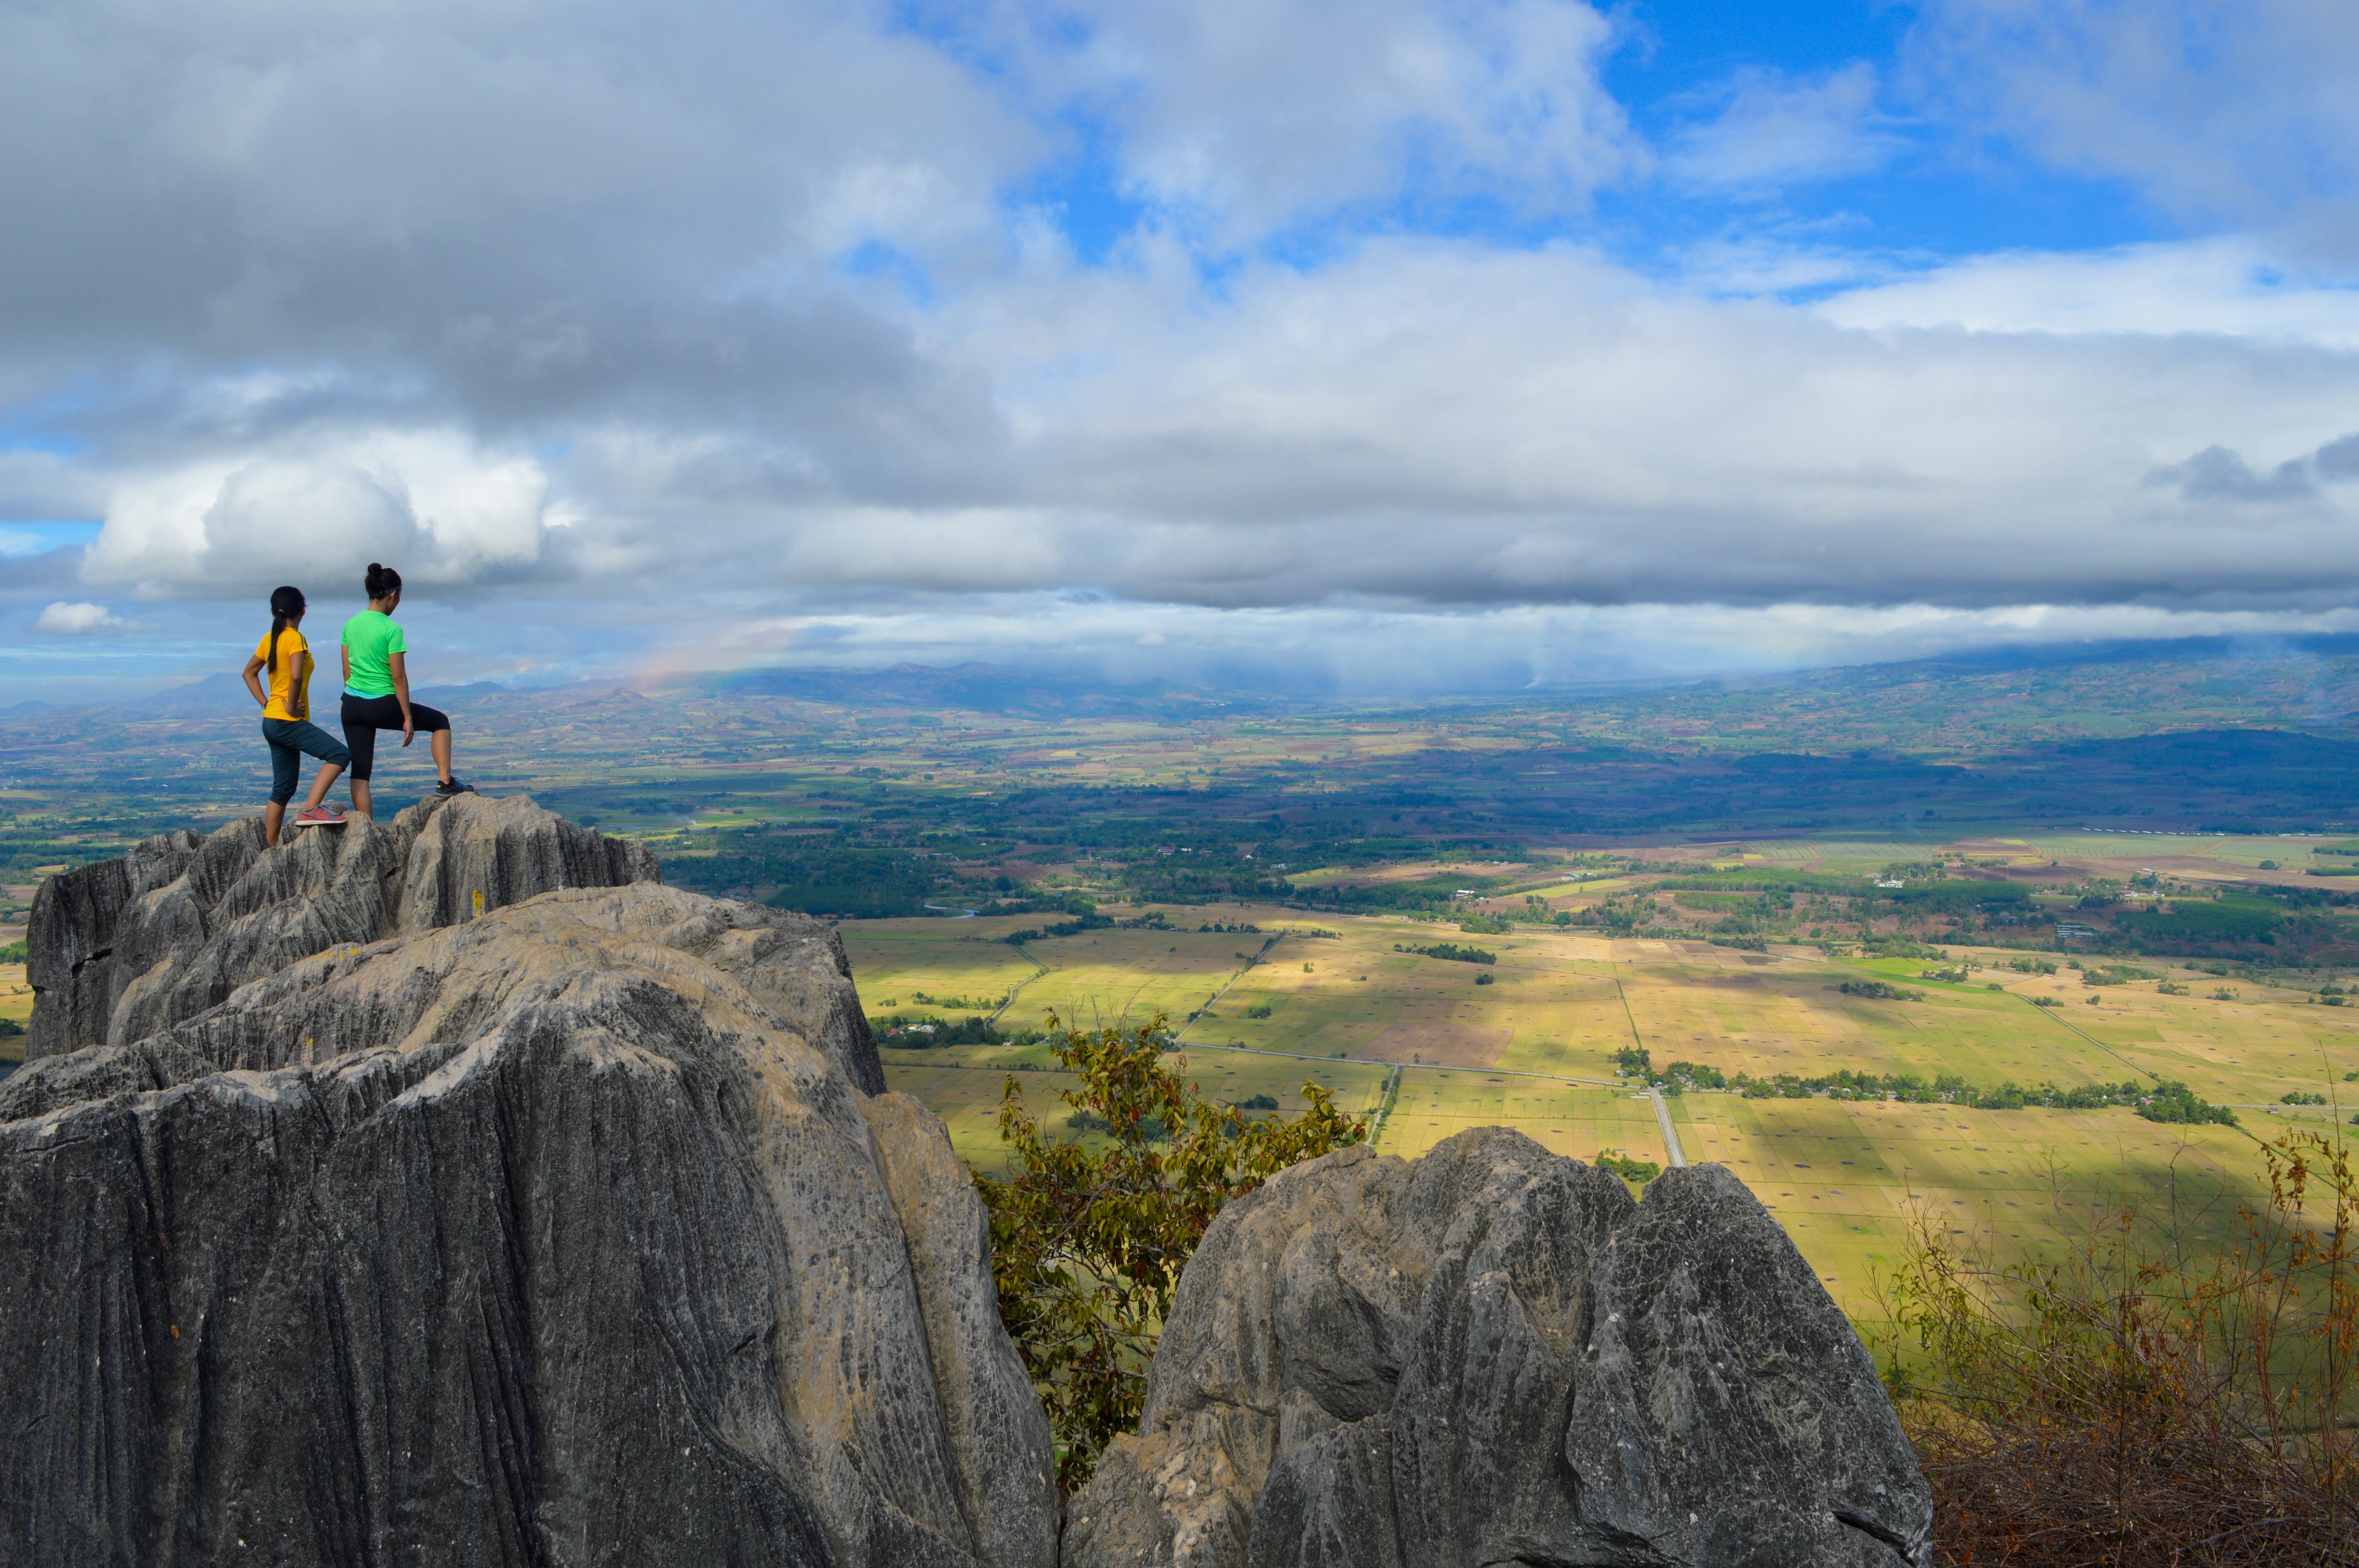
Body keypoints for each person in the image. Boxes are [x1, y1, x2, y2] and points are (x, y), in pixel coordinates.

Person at [339, 562, 473, 817]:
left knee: (361, 772)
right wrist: (408, 718)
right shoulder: (392, 630)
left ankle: (364, 829)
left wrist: (356, 697)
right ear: (393, 595)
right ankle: (446, 783)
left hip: (352, 704)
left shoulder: (350, 625)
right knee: (440, 722)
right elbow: (398, 677)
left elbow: (347, 672)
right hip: (381, 704)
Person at [241, 586, 351, 846]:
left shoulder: (269, 639)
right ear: (303, 610)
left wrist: (266, 703)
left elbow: (249, 673)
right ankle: (312, 809)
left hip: (271, 721)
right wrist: (290, 707)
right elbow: (296, 675)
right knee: (340, 755)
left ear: (273, 611)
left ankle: (271, 849)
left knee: (283, 789)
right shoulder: (295, 638)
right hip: (287, 721)